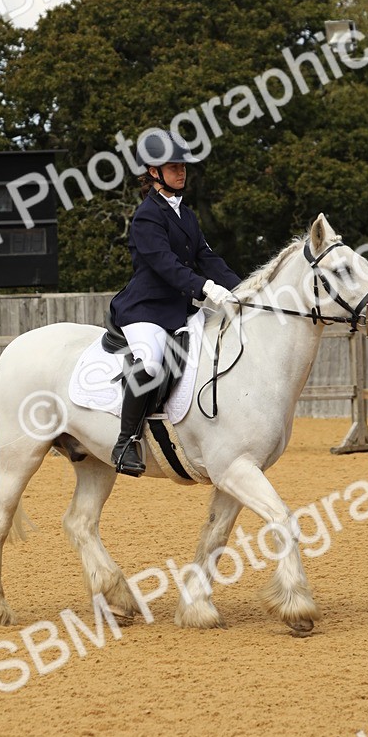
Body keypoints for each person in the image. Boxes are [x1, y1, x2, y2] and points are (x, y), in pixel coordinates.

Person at [109, 127, 242, 476]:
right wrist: (206, 289)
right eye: (173, 166)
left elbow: (208, 258)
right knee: (151, 363)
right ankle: (125, 443)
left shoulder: (187, 214)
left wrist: (244, 289)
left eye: (183, 166)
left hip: (182, 308)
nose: (181, 171)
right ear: (154, 172)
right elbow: (165, 266)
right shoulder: (146, 215)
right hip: (147, 308)